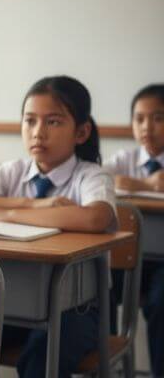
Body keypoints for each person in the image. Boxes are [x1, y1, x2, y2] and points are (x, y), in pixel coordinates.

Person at [0, 75, 115, 378]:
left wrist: (5, 214)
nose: (38, 132)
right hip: (13, 303)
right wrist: (35, 205)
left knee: (40, 360)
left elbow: (95, 218)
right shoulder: (15, 171)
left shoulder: (90, 175)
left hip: (79, 311)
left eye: (52, 122)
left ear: (81, 132)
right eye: (30, 121)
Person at [102, 83, 164, 376]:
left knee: (161, 302)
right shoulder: (124, 159)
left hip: (161, 262)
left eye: (158, 118)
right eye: (139, 119)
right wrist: (150, 184)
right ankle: (107, 364)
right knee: (100, 287)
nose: (147, 128)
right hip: (126, 258)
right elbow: (104, 181)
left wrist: (133, 184)